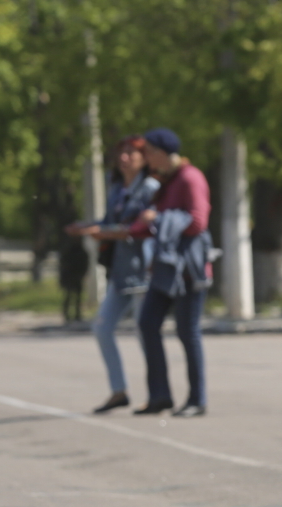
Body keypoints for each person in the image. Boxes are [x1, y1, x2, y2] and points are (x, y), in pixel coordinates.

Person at [66, 137, 161, 412]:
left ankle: (158, 393)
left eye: (131, 153)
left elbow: (141, 228)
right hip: (120, 272)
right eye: (121, 153)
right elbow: (111, 222)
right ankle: (119, 391)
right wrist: (87, 226)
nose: (125, 158)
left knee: (145, 333)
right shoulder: (117, 189)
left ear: (144, 158)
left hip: (143, 270)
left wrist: (103, 232)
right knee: (102, 327)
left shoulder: (151, 188)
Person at [127, 128, 212, 417]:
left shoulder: (190, 177)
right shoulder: (165, 181)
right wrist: (118, 231)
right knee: (148, 323)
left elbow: (198, 222)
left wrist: (159, 218)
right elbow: (145, 224)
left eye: (148, 151)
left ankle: (197, 400)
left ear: (162, 153)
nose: (145, 157)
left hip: (187, 268)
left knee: (188, 332)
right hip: (165, 269)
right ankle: (160, 396)